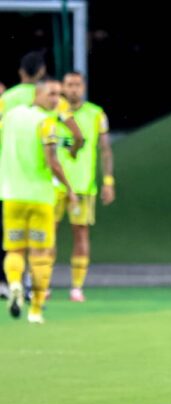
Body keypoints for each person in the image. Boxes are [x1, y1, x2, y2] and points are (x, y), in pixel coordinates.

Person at [0, 50, 84, 300]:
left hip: (9, 181)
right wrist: (73, 149)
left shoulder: (9, 98)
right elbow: (76, 134)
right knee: (42, 243)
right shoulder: (51, 96)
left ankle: (7, 282)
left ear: (20, 72)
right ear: (40, 72)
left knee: (11, 242)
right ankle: (34, 288)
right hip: (44, 183)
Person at [52, 71, 115, 302]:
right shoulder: (53, 112)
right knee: (48, 234)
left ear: (84, 86)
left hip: (83, 186)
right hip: (54, 185)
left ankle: (76, 287)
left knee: (80, 234)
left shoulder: (96, 114)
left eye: (77, 84)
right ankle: (42, 283)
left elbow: (105, 149)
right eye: (69, 85)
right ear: (62, 87)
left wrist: (108, 180)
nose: (74, 89)